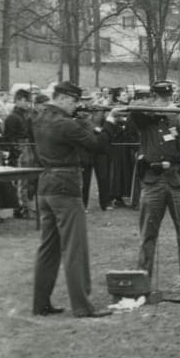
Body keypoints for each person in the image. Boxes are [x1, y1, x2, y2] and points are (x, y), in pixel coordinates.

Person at [30, 81, 119, 318]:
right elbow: (98, 146)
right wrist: (109, 121)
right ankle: (82, 306)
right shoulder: (65, 125)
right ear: (62, 98)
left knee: (48, 248)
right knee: (74, 248)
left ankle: (40, 304)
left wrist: (81, 121)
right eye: (74, 101)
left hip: (46, 185)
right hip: (66, 186)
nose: (76, 105)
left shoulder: (40, 117)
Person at [125, 81, 180, 294]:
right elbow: (133, 114)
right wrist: (157, 111)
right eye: (161, 98)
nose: (165, 102)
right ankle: (143, 280)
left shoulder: (177, 116)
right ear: (153, 97)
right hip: (153, 179)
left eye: (167, 98)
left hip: (177, 180)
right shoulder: (145, 116)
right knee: (148, 233)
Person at [1, 89, 35, 217]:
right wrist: (16, 151)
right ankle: (20, 208)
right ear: (19, 100)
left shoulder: (25, 115)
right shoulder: (12, 117)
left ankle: (25, 206)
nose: (28, 103)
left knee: (27, 180)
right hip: (20, 151)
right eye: (26, 100)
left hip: (28, 149)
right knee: (21, 181)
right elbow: (9, 137)